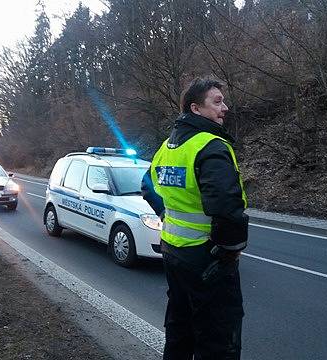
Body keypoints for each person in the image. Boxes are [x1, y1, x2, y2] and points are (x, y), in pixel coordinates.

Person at [142, 77, 248, 360]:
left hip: (173, 254)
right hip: (207, 260)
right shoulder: (211, 146)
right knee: (218, 339)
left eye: (223, 101)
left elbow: (147, 185)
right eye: (217, 101)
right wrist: (229, 251)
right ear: (195, 109)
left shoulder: (167, 147)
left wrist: (166, 214)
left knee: (180, 330)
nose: (224, 107)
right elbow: (227, 208)